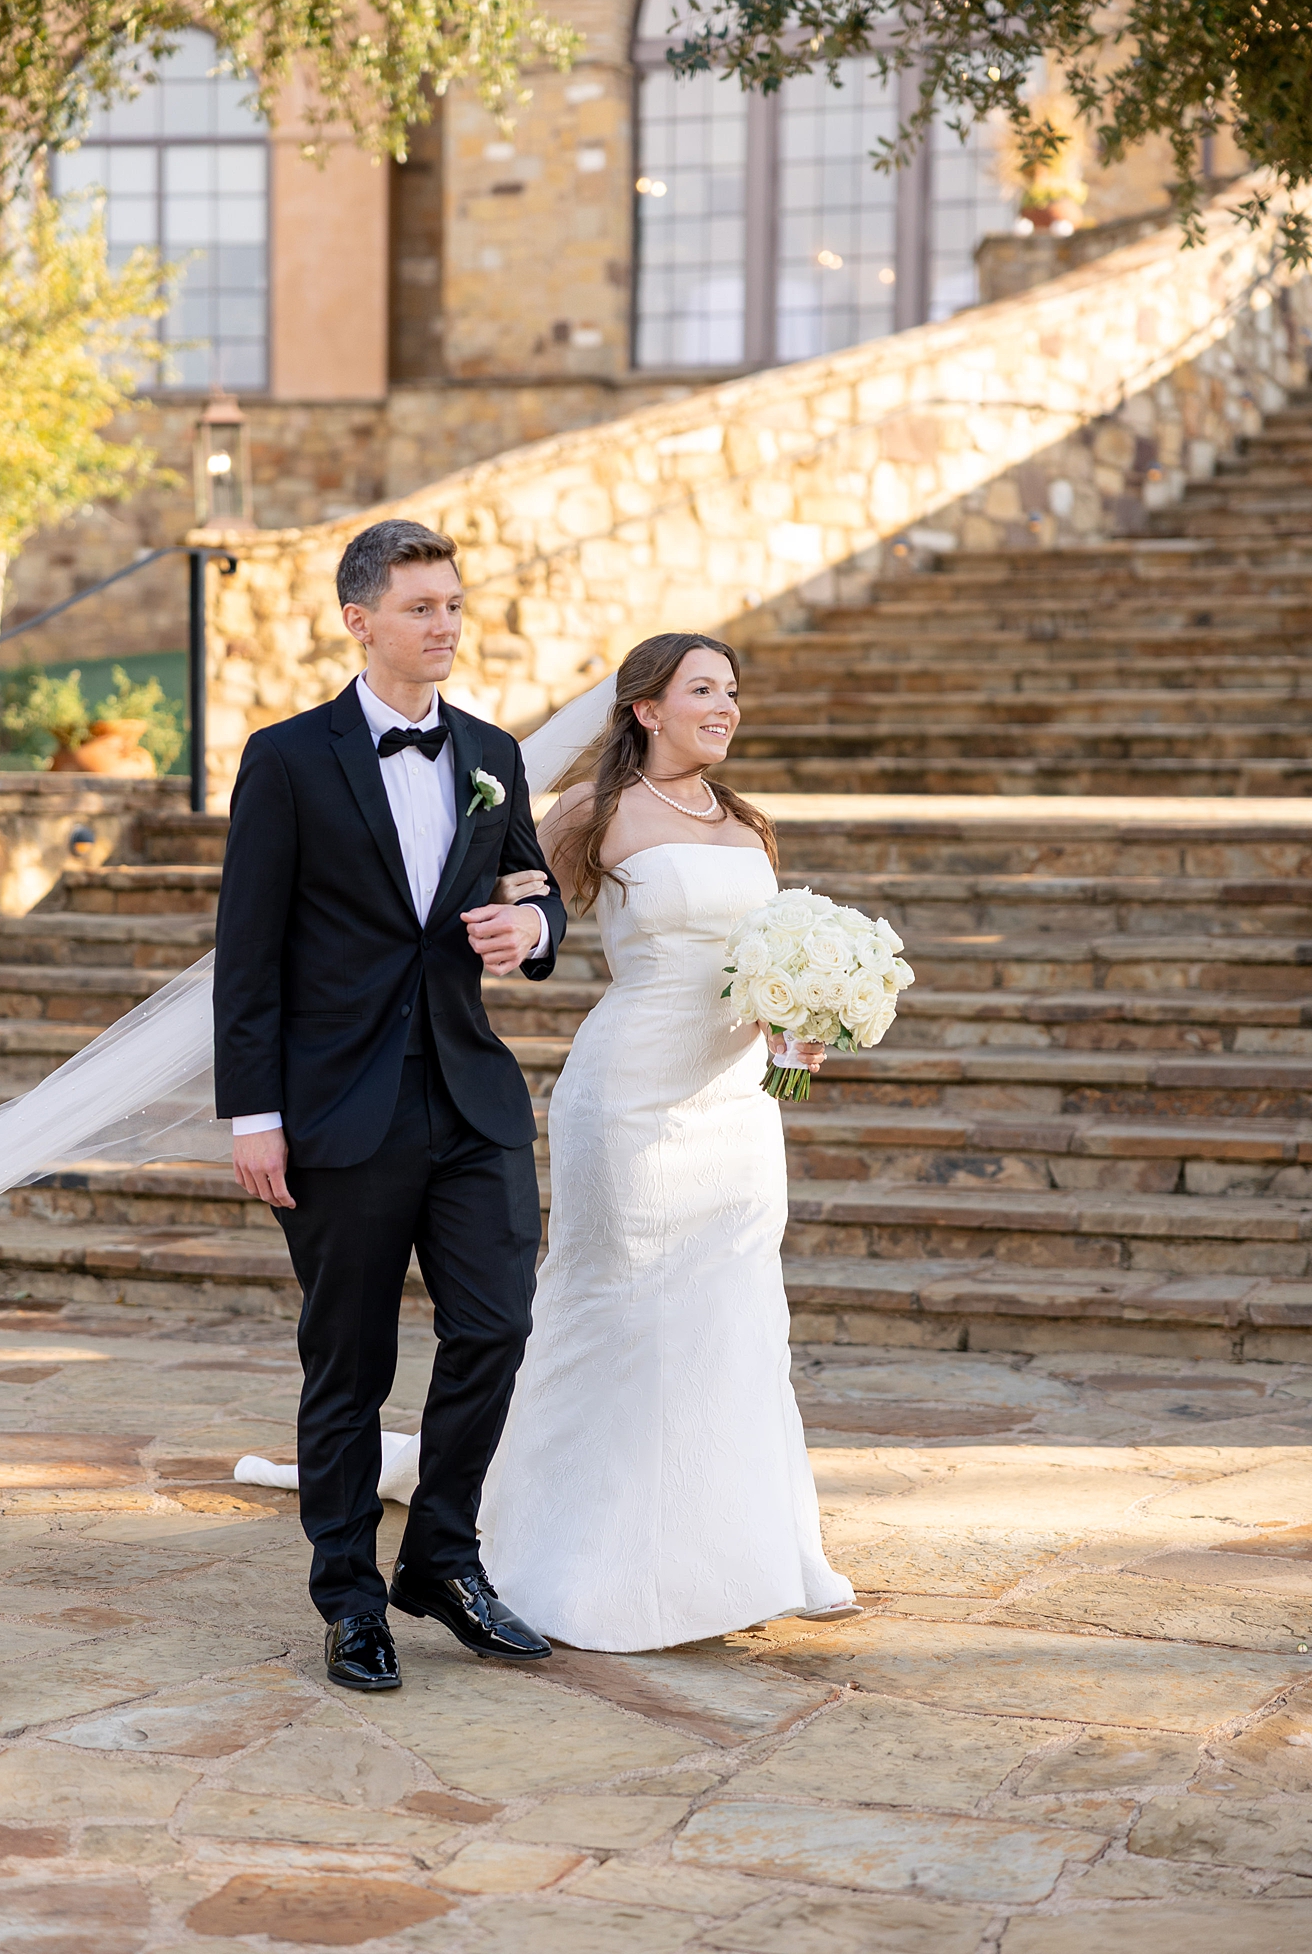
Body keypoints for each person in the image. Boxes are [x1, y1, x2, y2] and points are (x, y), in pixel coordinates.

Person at [212, 517, 567, 1692]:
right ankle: (350, 1596)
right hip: (333, 1109)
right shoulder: (287, 757)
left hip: (468, 1097)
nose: (446, 626)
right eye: (422, 608)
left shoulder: (488, 750)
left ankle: (443, 1559)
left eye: (454, 605)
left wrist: (535, 929)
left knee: (497, 1324)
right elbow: (246, 954)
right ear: (359, 619)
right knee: (347, 1362)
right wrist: (250, 1113)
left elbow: (532, 883)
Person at [479, 633, 857, 1649]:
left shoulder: (745, 822)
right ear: (645, 708)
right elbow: (516, 913)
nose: (724, 705)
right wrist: (515, 937)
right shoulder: (589, 812)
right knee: (621, 1300)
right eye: (702, 689)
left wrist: (801, 1021)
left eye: (731, 690)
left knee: (735, 1308)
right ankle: (571, 1545)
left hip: (737, 1101)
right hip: (631, 1091)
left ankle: (745, 1552)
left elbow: (763, 959)